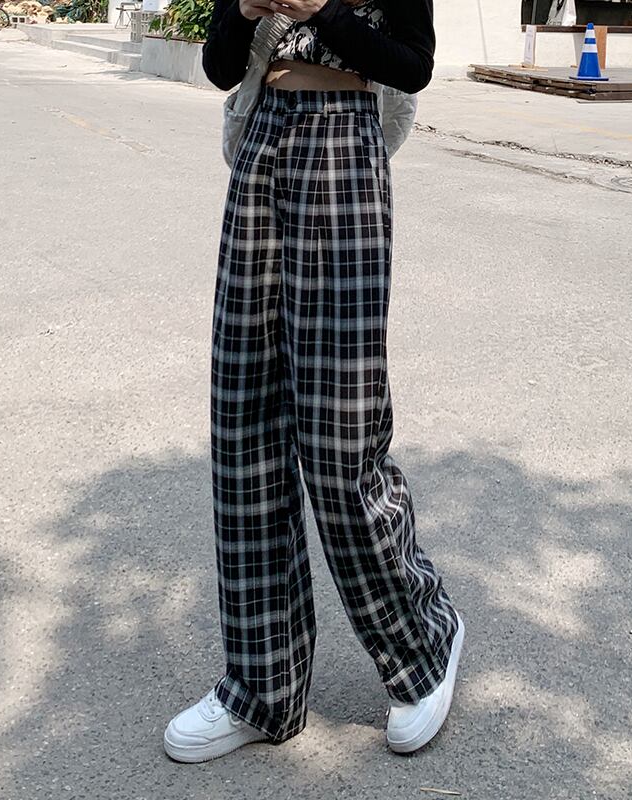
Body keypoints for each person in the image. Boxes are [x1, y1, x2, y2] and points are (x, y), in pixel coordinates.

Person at [163, 0, 464, 764]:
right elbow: (219, 65)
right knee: (244, 418)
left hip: (343, 143)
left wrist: (322, 11)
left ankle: (424, 641)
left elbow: (413, 65)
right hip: (264, 141)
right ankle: (263, 687)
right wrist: (243, 10)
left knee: (338, 436)